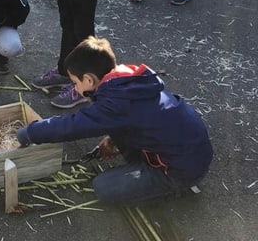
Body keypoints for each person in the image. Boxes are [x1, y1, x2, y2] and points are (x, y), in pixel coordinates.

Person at [17, 36, 213, 207]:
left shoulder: (117, 103)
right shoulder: (124, 83)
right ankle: (146, 170)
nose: (75, 89)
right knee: (118, 141)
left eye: (75, 83)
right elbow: (131, 119)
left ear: (88, 79)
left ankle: (170, 188)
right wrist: (112, 138)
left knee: (103, 188)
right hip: (189, 152)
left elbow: (73, 126)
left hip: (181, 169)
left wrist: (30, 132)